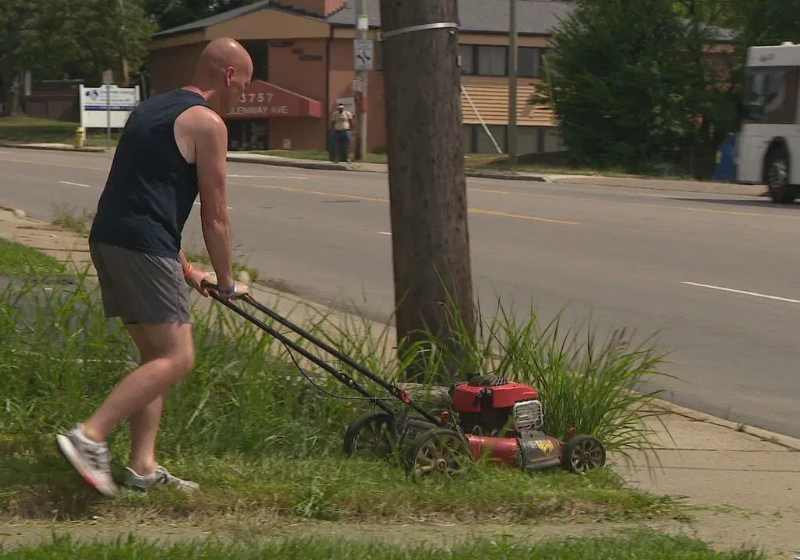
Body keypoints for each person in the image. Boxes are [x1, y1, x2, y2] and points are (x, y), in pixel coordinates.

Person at [55, 37, 254, 497]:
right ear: (228, 76)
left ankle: (142, 467)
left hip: (111, 240)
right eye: (243, 85)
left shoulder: (150, 110)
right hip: (142, 248)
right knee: (177, 357)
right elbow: (216, 214)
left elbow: (141, 198)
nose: (243, 95)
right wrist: (226, 282)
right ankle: (89, 436)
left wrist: (189, 271)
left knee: (155, 358)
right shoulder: (208, 123)